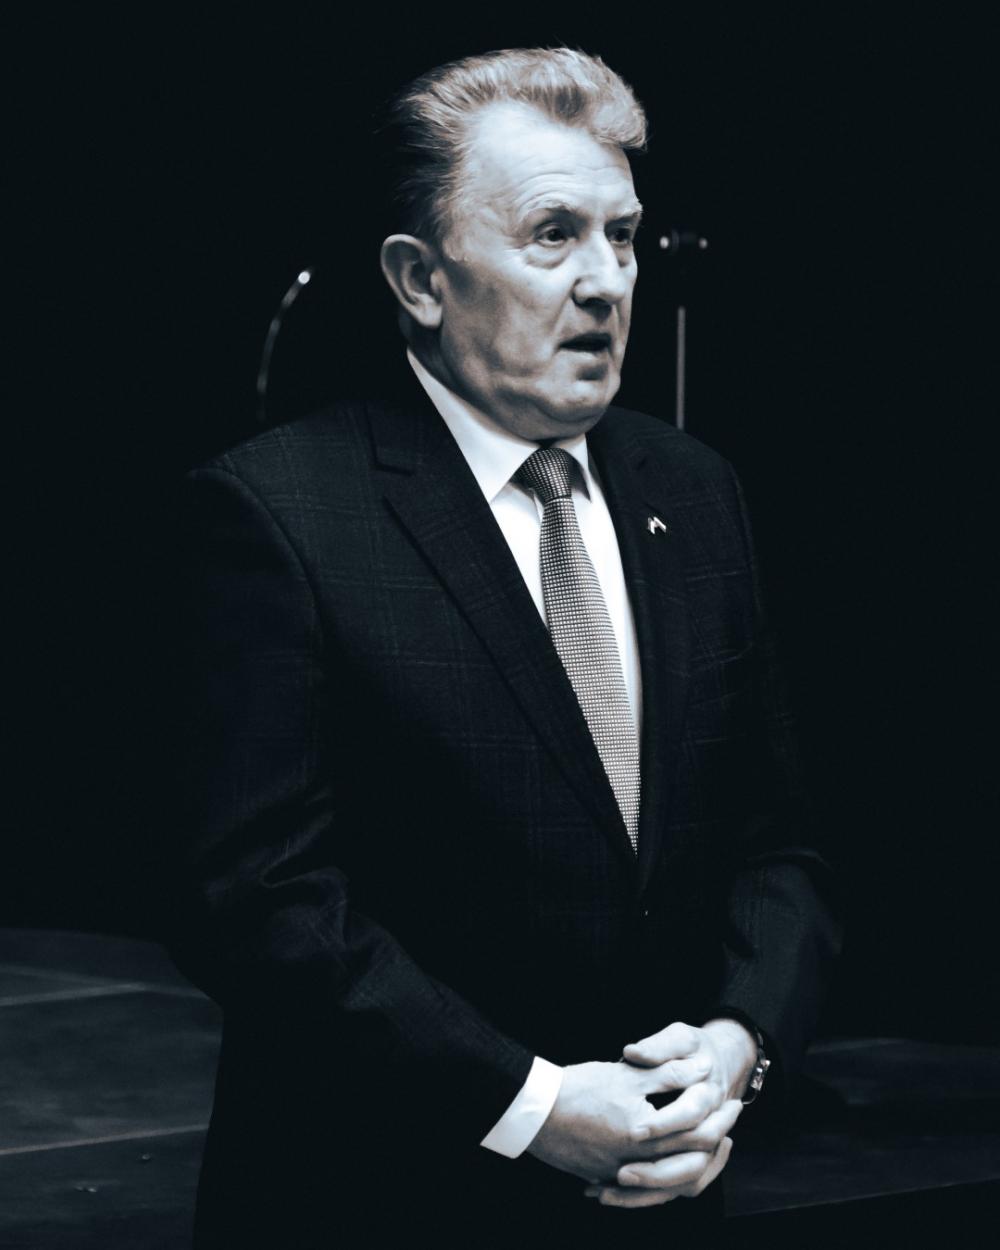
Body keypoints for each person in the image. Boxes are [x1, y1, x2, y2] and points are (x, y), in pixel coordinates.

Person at [167, 47, 839, 1248]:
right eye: (552, 235)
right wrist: (529, 1106)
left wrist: (739, 1043)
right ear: (420, 279)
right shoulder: (279, 514)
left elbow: (775, 841)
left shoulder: (695, 490)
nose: (605, 281)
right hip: (380, 1203)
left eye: (621, 236)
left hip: (670, 1197)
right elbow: (255, 903)